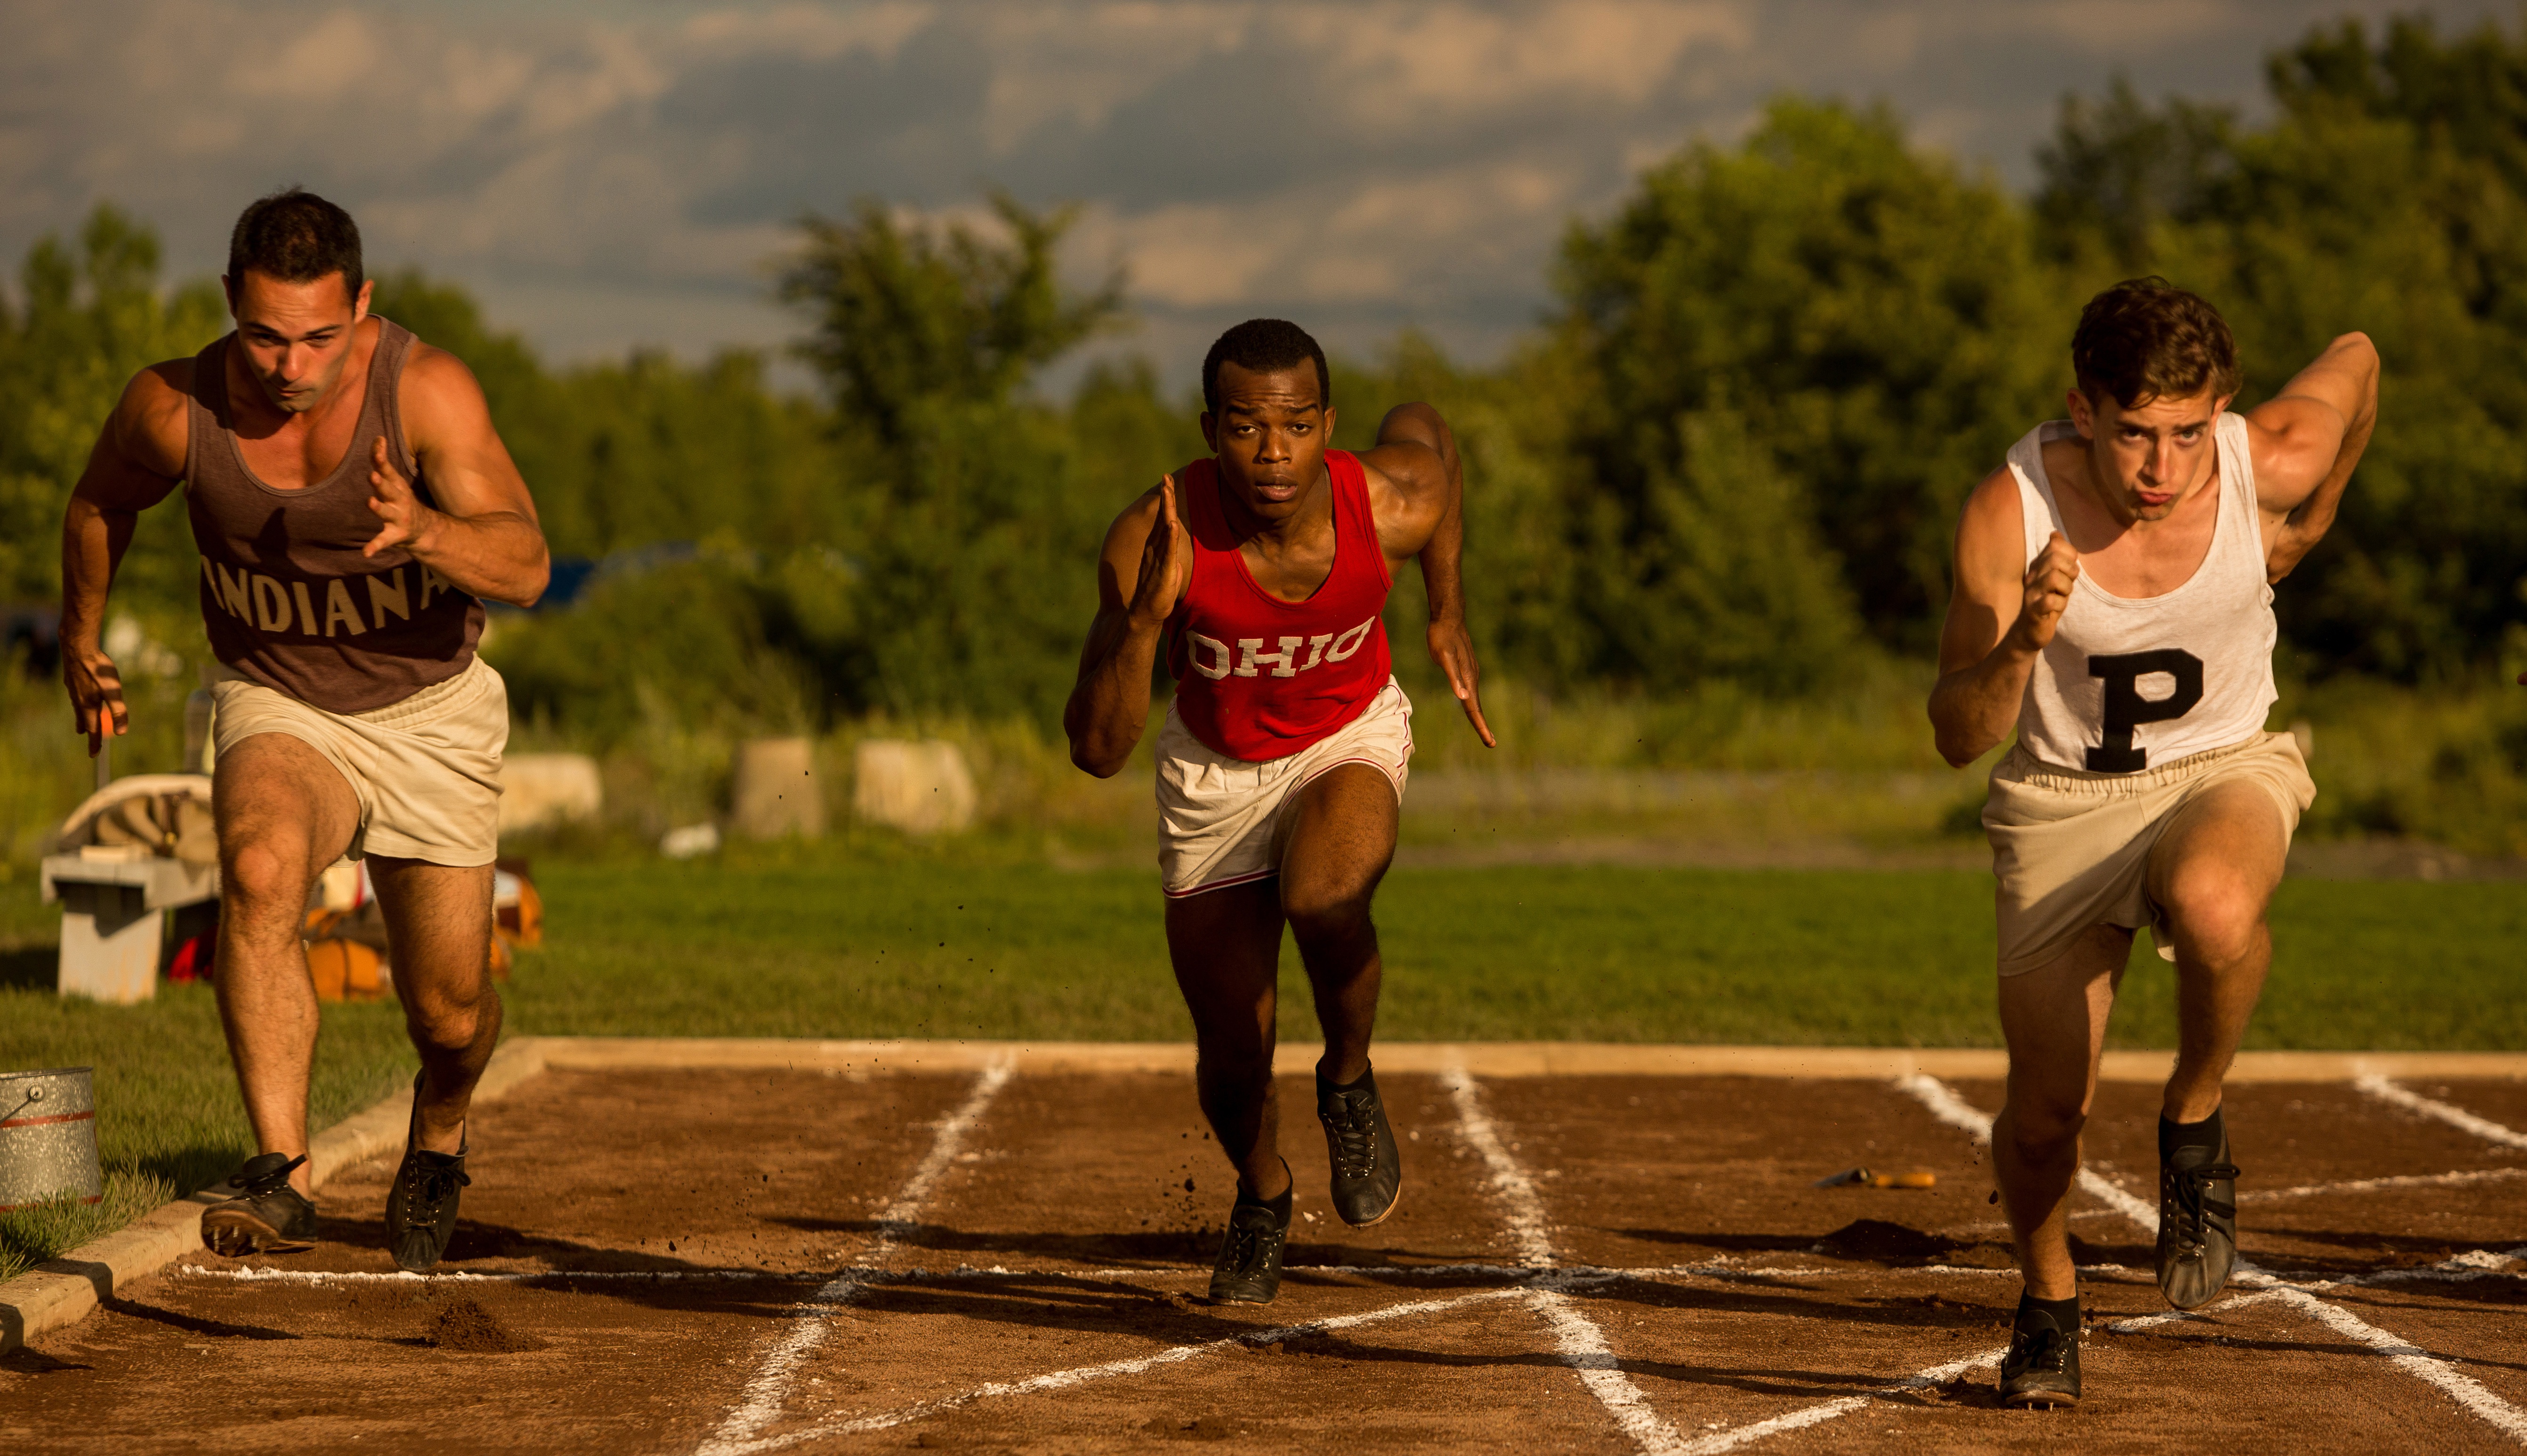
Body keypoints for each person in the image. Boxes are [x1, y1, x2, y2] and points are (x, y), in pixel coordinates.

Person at [59, 188, 549, 1273]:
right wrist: (80, 640)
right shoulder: (175, 407)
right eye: (266, 336)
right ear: (231, 301)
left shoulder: (424, 390)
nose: (291, 365)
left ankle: (441, 1129)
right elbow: (100, 503)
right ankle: (281, 1171)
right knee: (261, 864)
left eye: (321, 336)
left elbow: (526, 563)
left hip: (428, 714)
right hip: (281, 700)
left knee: (449, 1011)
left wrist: (427, 529)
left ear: (362, 306)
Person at [1929, 278, 2377, 1406]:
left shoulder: (2263, 459)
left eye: (2186, 433)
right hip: (2060, 802)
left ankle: (2191, 1112)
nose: (2161, 468)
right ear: (2080, 411)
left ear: (2218, 411)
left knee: (2218, 903)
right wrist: (2024, 640)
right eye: (2134, 433)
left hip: (2221, 765)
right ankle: (2045, 1305)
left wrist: (2318, 516)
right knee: (2044, 1115)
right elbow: (1953, 733)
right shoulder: (2008, 512)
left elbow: (2358, 356)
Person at [1063, 319, 1492, 1303]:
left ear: (1325, 425)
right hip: (1213, 772)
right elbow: (1095, 751)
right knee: (1230, 1041)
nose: (1272, 453)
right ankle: (1262, 1193)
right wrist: (1143, 623)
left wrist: (1446, 605)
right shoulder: (1149, 536)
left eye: (1296, 427)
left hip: (1346, 734)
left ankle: (1345, 1074)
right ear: (1211, 428)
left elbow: (1428, 431)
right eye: (1247, 428)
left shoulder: (1389, 502)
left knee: (1325, 895)